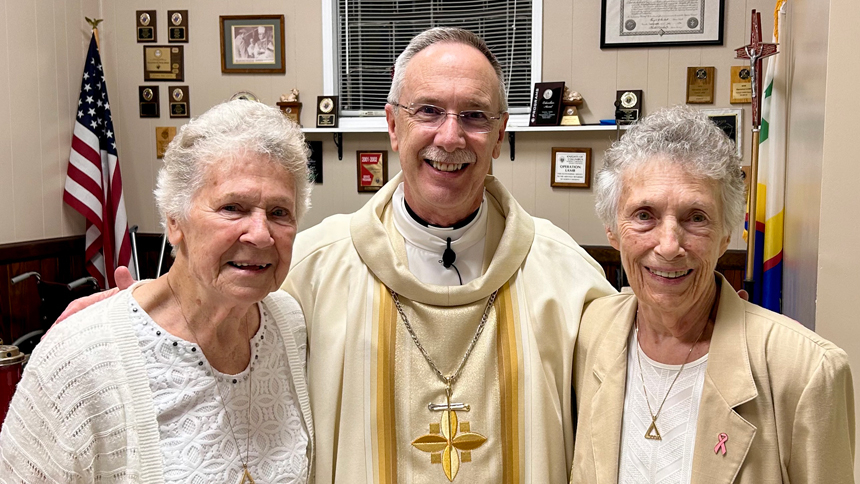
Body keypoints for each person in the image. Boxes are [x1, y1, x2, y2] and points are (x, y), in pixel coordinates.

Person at [282, 27, 615, 483]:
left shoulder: (568, 277)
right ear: (394, 126)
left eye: (475, 116)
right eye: (428, 111)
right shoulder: (310, 272)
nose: (451, 136)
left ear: (499, 137)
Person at [0, 101, 314, 483]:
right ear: (174, 221)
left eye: (280, 212)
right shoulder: (80, 359)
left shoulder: (290, 325)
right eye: (233, 207)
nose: (261, 234)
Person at [570, 106, 855, 483]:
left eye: (697, 217)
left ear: (726, 234)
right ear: (612, 230)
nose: (669, 246)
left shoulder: (805, 371)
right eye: (644, 215)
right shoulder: (589, 330)